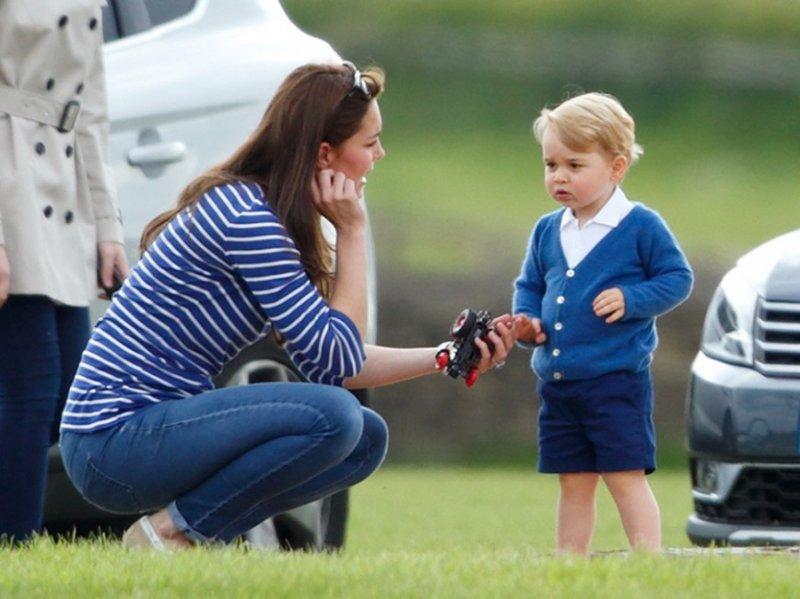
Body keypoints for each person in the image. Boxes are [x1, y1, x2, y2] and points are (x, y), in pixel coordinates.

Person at [59, 61, 516, 549]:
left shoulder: (267, 214)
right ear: (324, 153)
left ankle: (182, 537)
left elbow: (337, 356)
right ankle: (168, 535)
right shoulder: (248, 219)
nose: (381, 154)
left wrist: (444, 356)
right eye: (369, 142)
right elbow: (337, 366)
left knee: (363, 439)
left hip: (146, 433)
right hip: (110, 441)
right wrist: (354, 230)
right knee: (338, 416)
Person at [512, 92, 693, 554]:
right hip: (559, 383)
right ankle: (568, 563)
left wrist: (634, 298)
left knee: (623, 476)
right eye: (551, 165)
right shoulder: (547, 229)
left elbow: (677, 278)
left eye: (575, 165)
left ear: (615, 168)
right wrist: (528, 321)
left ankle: (648, 559)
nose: (559, 176)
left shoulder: (640, 226)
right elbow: (530, 284)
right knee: (573, 480)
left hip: (615, 382)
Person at [0, 1, 129, 542]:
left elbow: (90, 108)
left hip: (62, 183)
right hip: (9, 182)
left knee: (73, 389)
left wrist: (107, 226)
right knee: (30, 386)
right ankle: (16, 545)